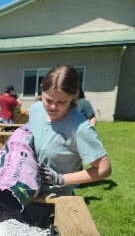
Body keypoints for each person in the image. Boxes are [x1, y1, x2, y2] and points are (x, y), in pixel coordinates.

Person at [26, 65, 111, 195]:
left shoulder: (79, 127)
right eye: (48, 99)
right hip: (25, 190)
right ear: (41, 89)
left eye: (61, 101)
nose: (53, 106)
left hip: (55, 198)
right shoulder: (36, 110)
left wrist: (61, 179)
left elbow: (104, 169)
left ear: (74, 95)